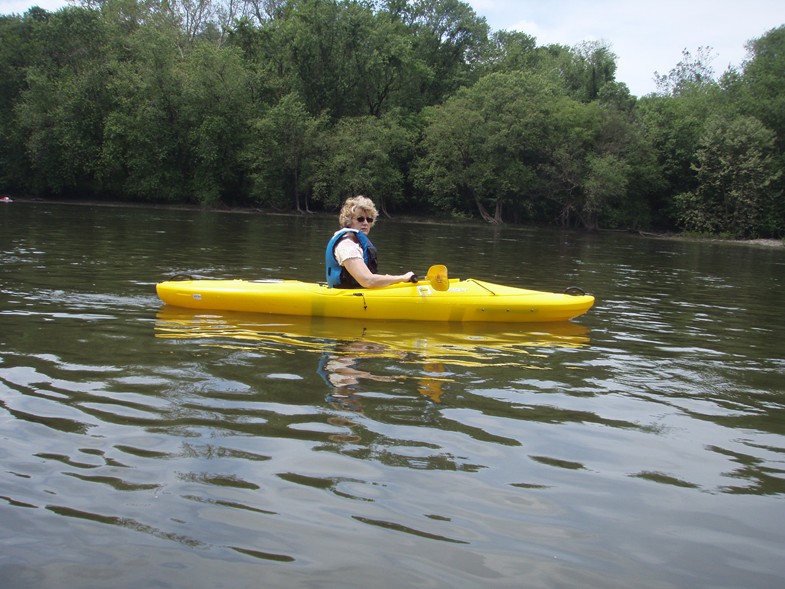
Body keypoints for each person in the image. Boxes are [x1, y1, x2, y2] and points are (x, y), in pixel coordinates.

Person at [325, 195, 414, 289]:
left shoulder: (355, 243)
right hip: (348, 296)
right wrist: (403, 278)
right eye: (360, 219)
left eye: (369, 219)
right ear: (348, 221)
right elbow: (367, 281)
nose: (365, 223)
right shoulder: (347, 246)